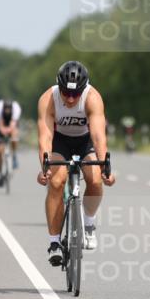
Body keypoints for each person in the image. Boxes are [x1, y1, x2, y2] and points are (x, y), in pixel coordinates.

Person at [36, 61, 115, 266]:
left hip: (85, 141)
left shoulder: (93, 98)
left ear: (83, 89)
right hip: (59, 141)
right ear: (59, 87)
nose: (70, 99)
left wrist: (105, 167)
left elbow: (98, 136)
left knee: (95, 180)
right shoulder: (48, 99)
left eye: (75, 94)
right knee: (56, 182)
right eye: (66, 93)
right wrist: (44, 168)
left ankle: (88, 224)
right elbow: (45, 137)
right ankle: (54, 243)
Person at [0, 98, 22, 186]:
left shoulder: (16, 109)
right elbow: (0, 125)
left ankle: (14, 155)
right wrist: (3, 132)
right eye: (6, 110)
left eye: (9, 110)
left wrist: (9, 132)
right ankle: (0, 174)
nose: (7, 111)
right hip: (1, 124)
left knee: (14, 136)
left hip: (11, 125)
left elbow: (13, 124)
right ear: (3, 109)